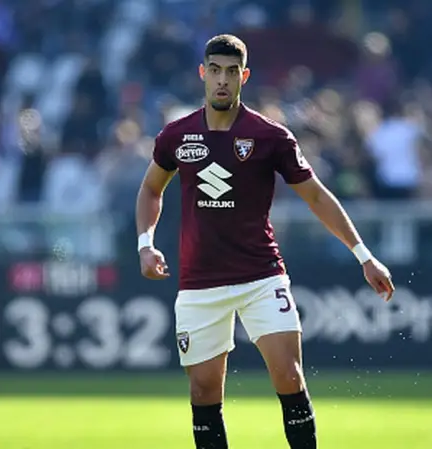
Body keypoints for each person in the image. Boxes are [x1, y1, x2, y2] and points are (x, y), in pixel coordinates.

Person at [135, 34, 395, 449]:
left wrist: (364, 256)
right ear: (202, 74)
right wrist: (145, 243)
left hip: (261, 276)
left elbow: (315, 196)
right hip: (200, 283)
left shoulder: (270, 136)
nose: (222, 80)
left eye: (231, 72)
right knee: (203, 392)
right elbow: (151, 189)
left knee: (289, 376)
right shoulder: (176, 136)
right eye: (215, 71)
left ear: (244, 77)